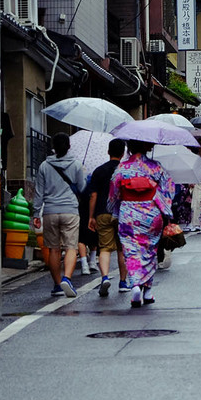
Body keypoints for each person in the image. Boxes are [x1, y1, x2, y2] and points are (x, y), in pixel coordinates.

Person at [108, 139, 175, 307]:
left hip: (128, 214)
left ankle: (135, 285)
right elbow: (168, 189)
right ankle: (148, 290)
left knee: (130, 251)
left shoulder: (122, 168)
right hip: (151, 214)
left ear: (129, 148)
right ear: (147, 146)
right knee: (149, 250)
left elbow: (113, 193)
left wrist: (113, 208)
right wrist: (165, 209)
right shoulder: (155, 167)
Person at [32, 132, 87, 298]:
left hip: (50, 211)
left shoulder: (44, 166)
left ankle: (57, 285)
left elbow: (39, 192)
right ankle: (67, 279)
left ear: (53, 147)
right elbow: (82, 188)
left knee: (53, 249)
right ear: (69, 146)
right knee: (71, 247)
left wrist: (36, 213)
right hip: (70, 210)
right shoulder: (76, 165)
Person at [86, 139, 131, 296]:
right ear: (123, 153)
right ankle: (123, 282)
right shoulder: (126, 169)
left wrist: (91, 216)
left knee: (104, 247)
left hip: (103, 212)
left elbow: (93, 195)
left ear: (108, 152)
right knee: (122, 248)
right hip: (123, 213)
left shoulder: (99, 171)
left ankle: (104, 277)